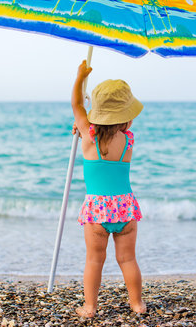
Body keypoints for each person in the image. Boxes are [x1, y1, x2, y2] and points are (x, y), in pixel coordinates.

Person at [71, 60, 146, 318]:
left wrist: (81, 77)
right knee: (127, 260)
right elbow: (109, 127)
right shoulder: (129, 140)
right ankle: (137, 304)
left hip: (97, 210)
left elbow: (77, 105)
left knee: (94, 260)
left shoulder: (89, 137)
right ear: (125, 117)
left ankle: (90, 307)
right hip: (125, 207)